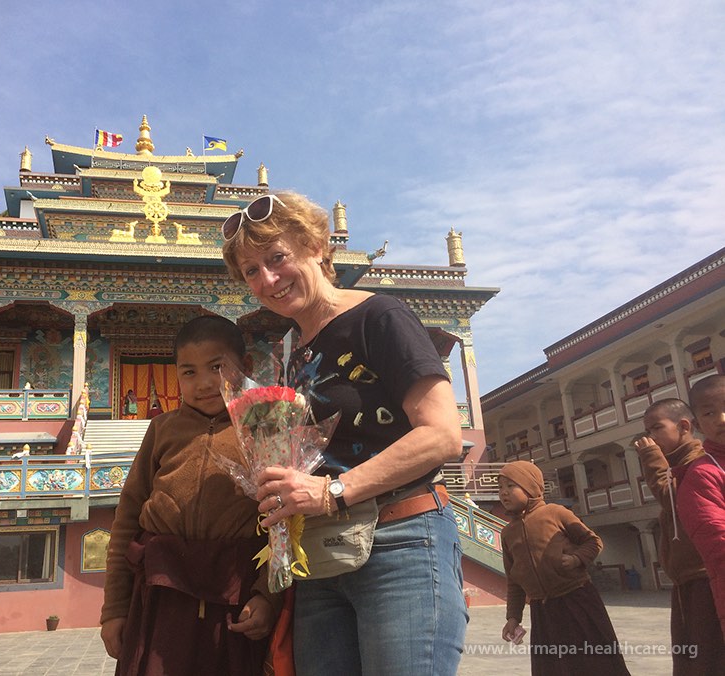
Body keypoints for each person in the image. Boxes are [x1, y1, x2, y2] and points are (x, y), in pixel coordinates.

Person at [221, 192, 466, 675]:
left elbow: (442, 435)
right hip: (322, 558)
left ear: (318, 247)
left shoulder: (380, 317)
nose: (267, 279)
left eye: (277, 258)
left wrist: (332, 489)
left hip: (401, 543)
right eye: (251, 270)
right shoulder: (293, 352)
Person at [100, 315, 281, 676]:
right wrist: (115, 609)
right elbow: (126, 520)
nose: (203, 384)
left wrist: (268, 596)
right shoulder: (162, 429)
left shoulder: (266, 426)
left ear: (244, 367)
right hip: (162, 595)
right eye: (188, 372)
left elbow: (287, 522)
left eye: (216, 367)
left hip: (236, 594)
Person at [498, 461, 629, 676]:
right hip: (543, 611)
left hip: (577, 600)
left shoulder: (555, 513)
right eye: (500, 488)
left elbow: (593, 542)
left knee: (596, 664)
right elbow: (514, 580)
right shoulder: (507, 533)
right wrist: (513, 617)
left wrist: (577, 559)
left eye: (511, 486)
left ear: (530, 487)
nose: (503, 493)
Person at [635, 398, 725, 674]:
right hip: (686, 580)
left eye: (656, 429)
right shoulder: (675, 464)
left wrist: (651, 459)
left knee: (708, 659)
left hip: (705, 577)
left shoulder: (698, 462)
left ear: (684, 426)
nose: (650, 438)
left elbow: (673, 501)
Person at [672, 375, 725, 642]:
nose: (722, 418)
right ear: (697, 424)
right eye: (709, 413)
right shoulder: (702, 476)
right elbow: (717, 543)